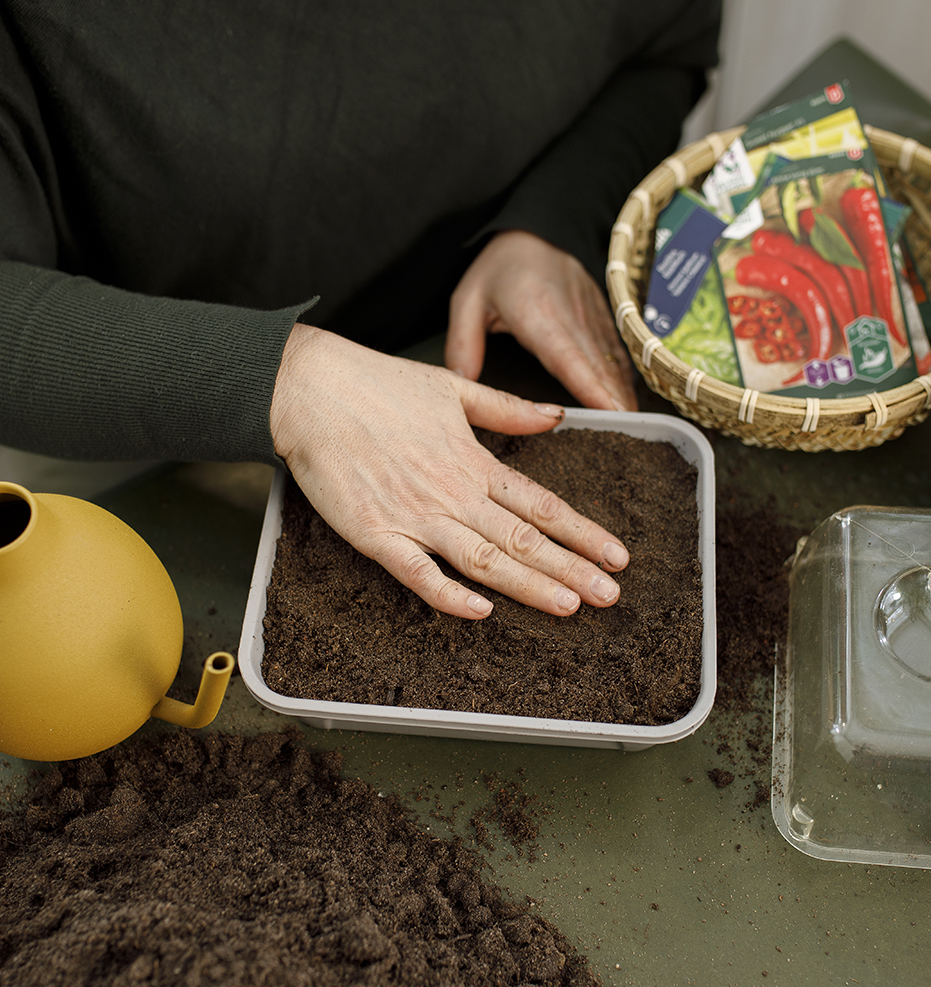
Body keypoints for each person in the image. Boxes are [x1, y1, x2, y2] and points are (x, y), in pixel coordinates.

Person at [0, 0, 721, 618]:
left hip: (486, 339)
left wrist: (554, 221)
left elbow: (666, 49)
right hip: (145, 415)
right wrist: (283, 378)